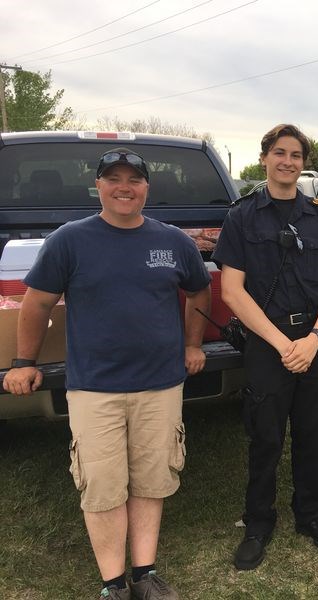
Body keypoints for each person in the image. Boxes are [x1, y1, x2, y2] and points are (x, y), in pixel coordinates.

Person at [2, 148, 212, 600]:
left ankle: (144, 575)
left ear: (146, 188)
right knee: (102, 485)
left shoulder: (173, 241)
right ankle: (112, 584)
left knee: (151, 479)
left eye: (133, 180)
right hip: (94, 388)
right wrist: (23, 363)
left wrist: (193, 344)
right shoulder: (69, 240)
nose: (124, 187)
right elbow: (36, 302)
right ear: (97, 186)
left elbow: (199, 290)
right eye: (113, 178)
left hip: (160, 385)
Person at [212, 124, 318, 570]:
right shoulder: (242, 217)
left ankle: (310, 515)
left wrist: (313, 340)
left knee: (313, 431)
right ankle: (258, 523)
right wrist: (281, 344)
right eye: (280, 153)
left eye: (296, 155)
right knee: (265, 436)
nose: (288, 161)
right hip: (267, 341)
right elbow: (233, 292)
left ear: (303, 162)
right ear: (265, 158)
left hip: (312, 341)